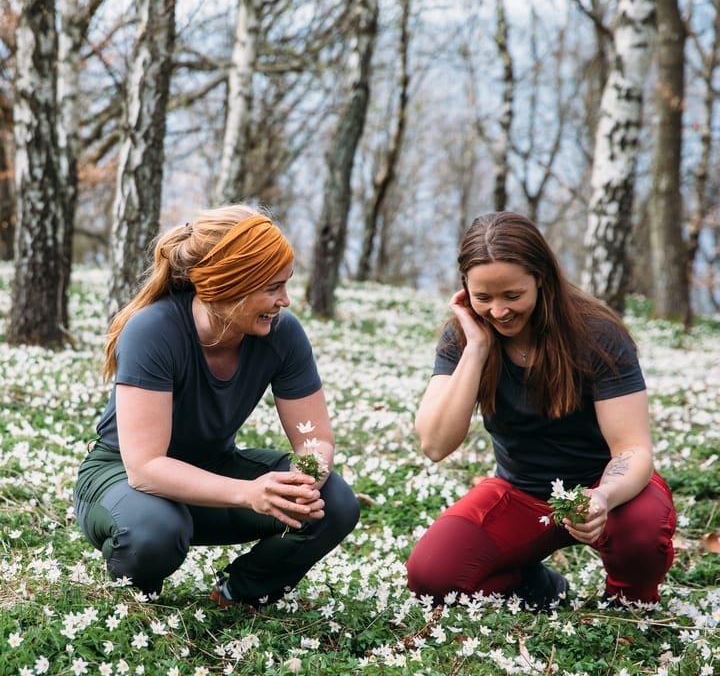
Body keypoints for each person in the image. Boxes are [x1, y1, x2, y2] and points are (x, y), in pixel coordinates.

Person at [73, 204, 360, 606]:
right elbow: (145, 468)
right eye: (273, 287)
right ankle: (137, 602)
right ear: (229, 285)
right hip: (123, 478)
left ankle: (239, 592)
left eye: (286, 284)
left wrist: (305, 479)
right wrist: (248, 493)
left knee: (335, 501)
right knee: (154, 530)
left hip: (214, 471)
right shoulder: (153, 331)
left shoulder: (283, 335)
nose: (286, 301)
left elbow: (314, 439)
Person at [406, 211, 676, 610]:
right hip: (520, 492)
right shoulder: (463, 338)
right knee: (432, 576)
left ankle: (628, 602)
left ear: (542, 279)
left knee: (642, 530)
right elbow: (434, 443)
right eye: (483, 297)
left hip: (607, 489)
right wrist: (477, 348)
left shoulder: (597, 334)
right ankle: (535, 585)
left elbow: (632, 449)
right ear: (465, 289)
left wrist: (601, 497)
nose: (498, 311)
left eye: (512, 296)